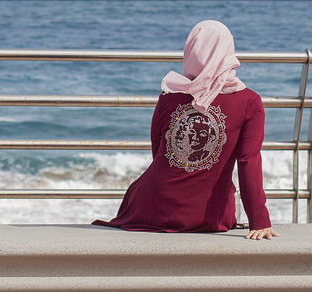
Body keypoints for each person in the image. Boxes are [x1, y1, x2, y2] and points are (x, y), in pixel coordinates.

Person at [93, 20, 279, 239]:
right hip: (209, 215)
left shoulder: (169, 95)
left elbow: (159, 152)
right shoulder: (249, 101)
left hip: (150, 208)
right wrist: (259, 221)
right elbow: (248, 161)